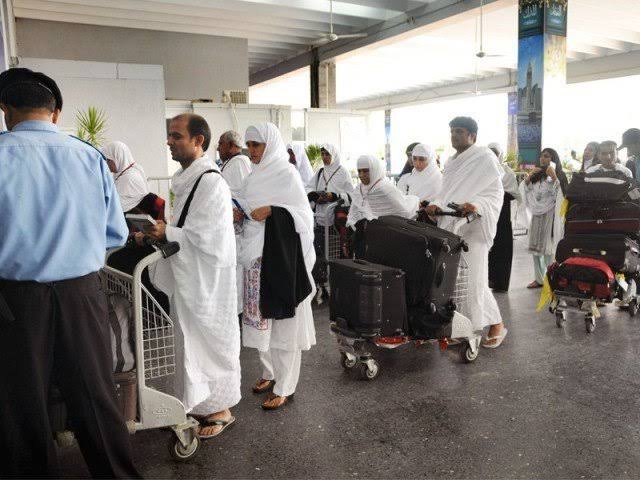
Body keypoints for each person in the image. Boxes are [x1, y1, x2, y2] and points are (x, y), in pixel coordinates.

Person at [0, 68, 139, 477]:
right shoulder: (88, 156)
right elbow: (114, 232)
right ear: (55, 114)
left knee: (23, 404)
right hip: (82, 294)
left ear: (5, 111)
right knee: (96, 396)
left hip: (15, 301)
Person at [147, 113, 241, 439]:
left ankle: (220, 409)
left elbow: (209, 238)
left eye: (176, 136)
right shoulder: (185, 178)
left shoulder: (212, 182)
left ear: (198, 141)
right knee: (189, 342)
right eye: (169, 135)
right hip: (190, 273)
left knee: (209, 342)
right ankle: (197, 404)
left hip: (209, 281)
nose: (169, 141)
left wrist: (168, 232)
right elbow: (188, 228)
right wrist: (162, 232)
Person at [236, 122, 316, 411]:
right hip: (256, 257)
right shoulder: (254, 175)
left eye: (256, 145)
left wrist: (272, 210)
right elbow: (248, 206)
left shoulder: (287, 173)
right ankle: (270, 374)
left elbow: (305, 218)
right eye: (249, 145)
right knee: (263, 322)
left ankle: (285, 385)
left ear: (270, 144)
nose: (252, 151)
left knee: (285, 324)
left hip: (281, 259)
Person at [424, 117, 507, 349]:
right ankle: (462, 327)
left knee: (475, 279)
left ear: (473, 135)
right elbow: (446, 193)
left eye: (459, 131)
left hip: (475, 229)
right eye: (452, 131)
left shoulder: (485, 158)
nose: (454, 136)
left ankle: (497, 324)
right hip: (452, 225)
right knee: (455, 281)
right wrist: (435, 205)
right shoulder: (451, 162)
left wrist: (476, 205)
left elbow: (494, 194)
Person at [306, 143, 354, 302]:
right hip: (319, 219)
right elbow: (309, 188)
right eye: (323, 154)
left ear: (334, 155)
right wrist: (315, 197)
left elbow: (351, 195)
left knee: (333, 256)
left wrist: (334, 196)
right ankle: (322, 286)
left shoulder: (343, 172)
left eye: (328, 154)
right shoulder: (320, 172)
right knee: (319, 254)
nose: (325, 157)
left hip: (335, 224)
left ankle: (334, 288)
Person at [217, 130, 252, 316]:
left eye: (221, 143)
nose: (217, 147)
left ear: (231, 145)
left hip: (237, 229)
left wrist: (236, 210)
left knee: (237, 272)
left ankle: (237, 314)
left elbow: (245, 196)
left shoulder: (239, 163)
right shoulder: (229, 164)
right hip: (228, 226)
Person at [522, 148, 565, 289]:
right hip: (536, 214)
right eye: (541, 156)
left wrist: (554, 177)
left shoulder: (559, 175)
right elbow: (527, 192)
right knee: (535, 248)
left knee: (548, 249)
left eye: (546, 156)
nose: (542, 159)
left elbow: (562, 194)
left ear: (553, 159)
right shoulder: (537, 174)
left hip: (550, 215)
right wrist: (528, 179)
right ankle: (539, 279)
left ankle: (552, 279)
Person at [347, 154, 420, 229]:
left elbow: (404, 210)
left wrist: (415, 201)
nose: (361, 175)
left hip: (384, 232)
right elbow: (353, 214)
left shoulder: (385, 188)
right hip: (363, 233)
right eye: (359, 171)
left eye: (365, 171)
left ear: (374, 169)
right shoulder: (359, 189)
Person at [487, 142, 521, 292]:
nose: (493, 155)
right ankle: (487, 281)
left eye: (495, 152)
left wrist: (499, 193)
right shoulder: (482, 171)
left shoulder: (508, 173)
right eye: (490, 152)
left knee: (501, 248)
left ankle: (501, 283)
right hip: (487, 214)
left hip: (502, 216)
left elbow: (515, 194)